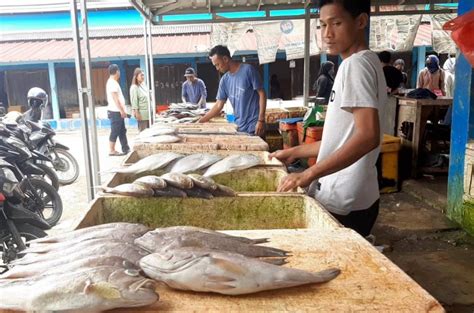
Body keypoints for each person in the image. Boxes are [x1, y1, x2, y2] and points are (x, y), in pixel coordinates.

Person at [269, 0, 386, 237]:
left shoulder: (355, 65)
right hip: (358, 194)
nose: (327, 34)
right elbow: (341, 141)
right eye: (322, 25)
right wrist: (292, 153)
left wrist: (308, 173)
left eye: (337, 23)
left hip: (344, 195)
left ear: (361, 21)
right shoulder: (367, 60)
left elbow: (368, 136)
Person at [199, 45, 266, 137]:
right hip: (239, 127)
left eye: (217, 64)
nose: (217, 68)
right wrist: (201, 121)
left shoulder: (248, 70)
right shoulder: (224, 80)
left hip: (254, 126)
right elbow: (219, 105)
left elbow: (262, 94)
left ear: (225, 59)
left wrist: (261, 120)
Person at [106, 64, 130, 156]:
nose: (119, 73)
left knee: (122, 130)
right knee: (115, 131)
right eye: (119, 71)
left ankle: (125, 148)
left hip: (117, 111)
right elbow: (115, 99)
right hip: (115, 111)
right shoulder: (112, 83)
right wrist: (121, 111)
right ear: (117, 71)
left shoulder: (113, 82)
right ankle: (111, 150)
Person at [129, 68, 150, 132]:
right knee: (143, 133)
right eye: (141, 75)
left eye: (143, 75)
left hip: (148, 114)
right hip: (142, 115)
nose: (143, 77)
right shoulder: (134, 87)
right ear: (136, 76)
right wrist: (137, 113)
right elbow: (134, 102)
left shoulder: (143, 85)